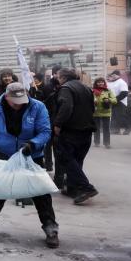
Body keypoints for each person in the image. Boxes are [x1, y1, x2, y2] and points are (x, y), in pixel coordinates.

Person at [0, 81, 59, 247]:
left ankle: (51, 228)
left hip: (31, 153)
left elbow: (45, 131)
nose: (18, 105)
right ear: (7, 97)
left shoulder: (37, 107)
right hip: (5, 153)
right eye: (15, 102)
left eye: (21, 100)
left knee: (40, 192)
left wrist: (33, 144)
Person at [52, 68, 97, 204]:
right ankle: (72, 188)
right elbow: (92, 107)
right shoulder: (86, 88)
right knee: (77, 160)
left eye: (58, 77)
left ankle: (86, 187)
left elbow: (66, 107)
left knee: (66, 158)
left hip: (71, 129)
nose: (57, 79)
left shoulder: (66, 88)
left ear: (63, 78)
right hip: (86, 129)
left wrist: (58, 124)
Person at [92, 78, 117, 148]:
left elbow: (115, 100)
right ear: (96, 83)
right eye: (98, 82)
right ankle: (96, 142)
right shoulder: (92, 91)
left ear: (104, 83)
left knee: (106, 128)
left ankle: (107, 143)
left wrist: (108, 100)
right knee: (96, 128)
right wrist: (93, 101)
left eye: (102, 82)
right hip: (96, 112)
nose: (100, 83)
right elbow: (88, 100)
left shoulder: (108, 91)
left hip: (106, 112)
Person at [106, 70, 131, 134]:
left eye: (114, 75)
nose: (113, 76)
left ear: (118, 75)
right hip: (114, 101)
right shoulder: (113, 82)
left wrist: (116, 99)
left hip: (121, 101)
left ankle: (128, 128)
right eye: (112, 75)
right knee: (114, 116)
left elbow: (124, 93)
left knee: (122, 116)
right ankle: (115, 129)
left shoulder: (121, 82)